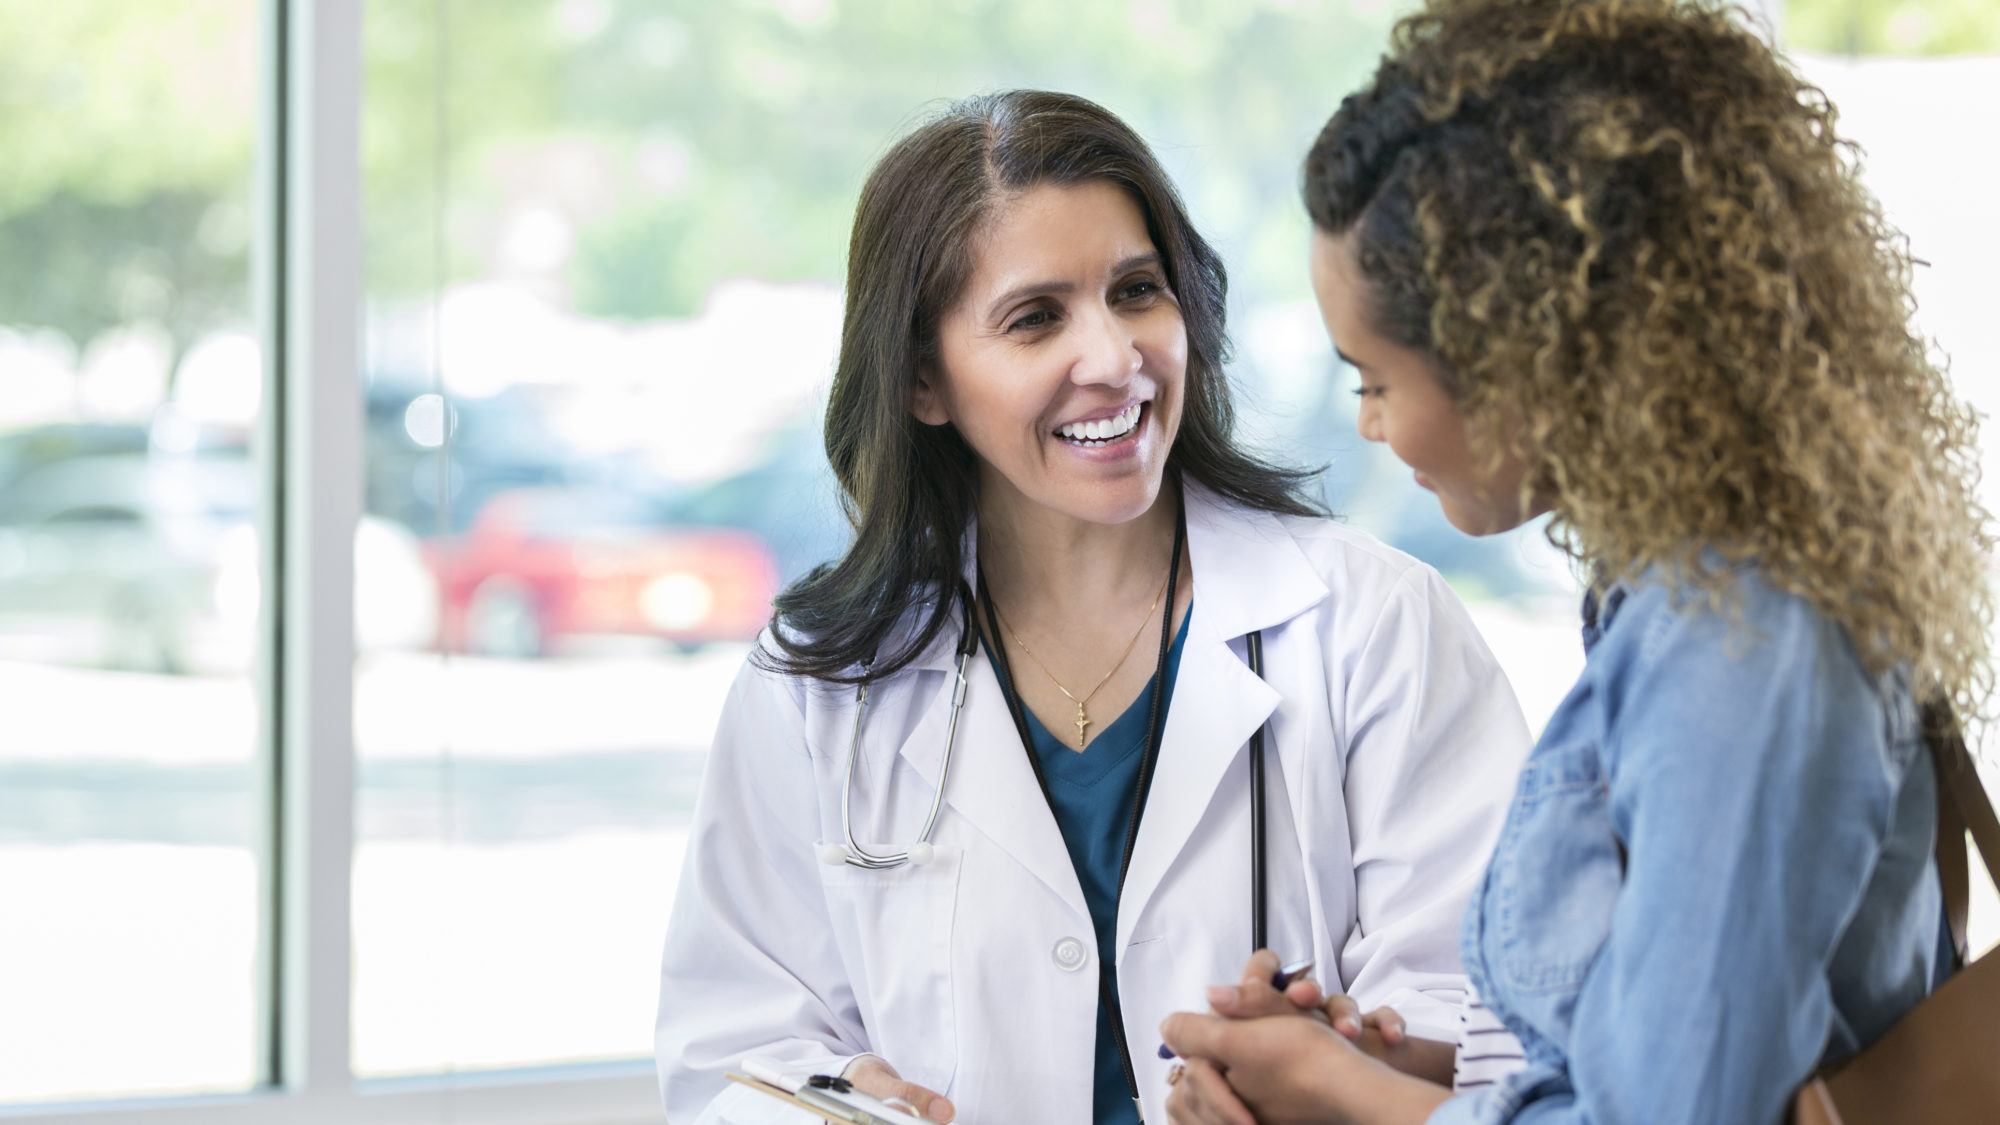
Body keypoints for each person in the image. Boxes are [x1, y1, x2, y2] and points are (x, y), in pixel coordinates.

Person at [1159, 1, 1993, 1122]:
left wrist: (1342, 1099)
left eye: (1374, 380)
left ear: (1522, 359)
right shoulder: (1683, 597)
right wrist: (1415, 1078)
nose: (1366, 424)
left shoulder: (1741, 648)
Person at [655, 89, 1531, 1124]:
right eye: (1035, 319)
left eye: (1136, 291)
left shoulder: (1371, 626)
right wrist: (840, 1101)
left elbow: (1493, 1014)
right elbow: (732, 1052)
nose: (1114, 359)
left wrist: (1344, 1060)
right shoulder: (817, 683)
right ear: (922, 381)